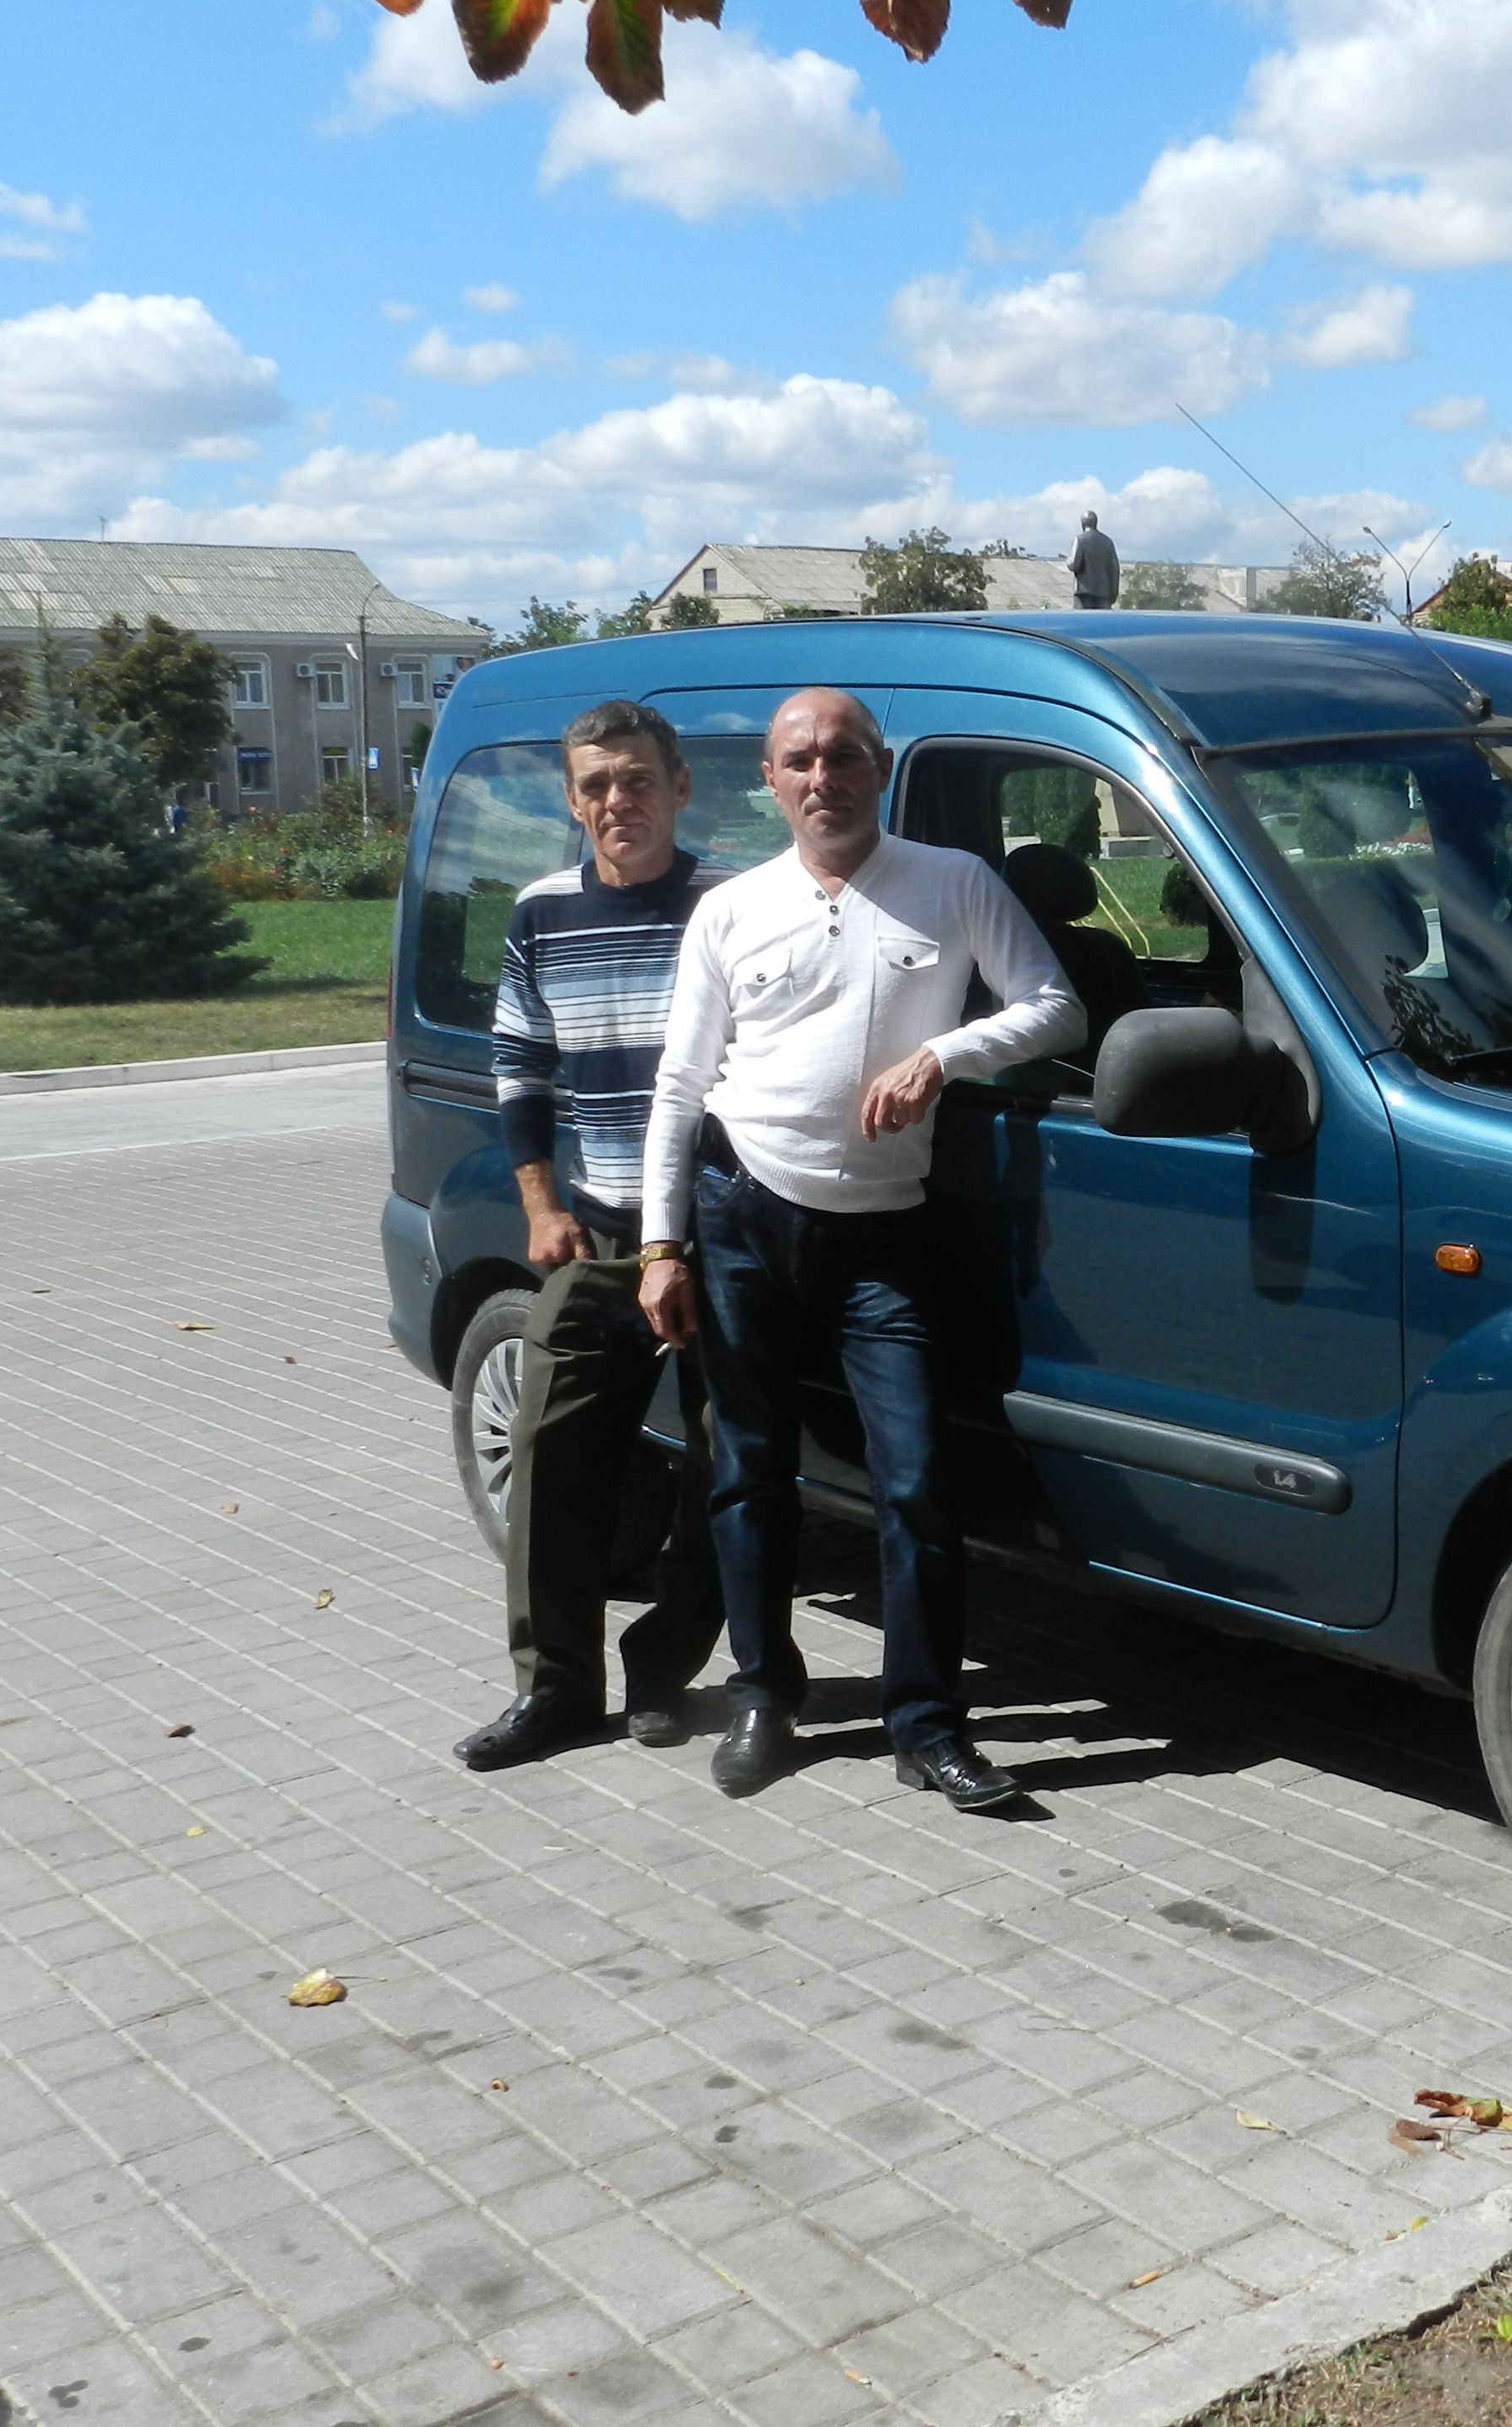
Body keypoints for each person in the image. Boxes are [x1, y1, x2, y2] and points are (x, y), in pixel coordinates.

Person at [637, 687, 1082, 1810]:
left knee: (921, 1481)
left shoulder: (953, 883)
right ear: (771, 782)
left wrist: (946, 1055)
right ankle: (760, 1696)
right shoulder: (733, 911)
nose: (821, 777)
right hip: (741, 1215)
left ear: (878, 768)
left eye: (843, 756)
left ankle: (927, 1725)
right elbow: (681, 1086)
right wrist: (661, 1245)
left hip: (885, 1235)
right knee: (748, 1472)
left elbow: (1053, 1008)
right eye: (800, 760)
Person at [453, 698, 727, 1772]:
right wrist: (538, 1202)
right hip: (604, 1233)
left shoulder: (732, 905)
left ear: (678, 786)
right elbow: (519, 1066)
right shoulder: (540, 913)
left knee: (729, 1467)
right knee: (551, 1452)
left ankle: (665, 1672)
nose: (621, 801)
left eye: (639, 779)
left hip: (719, 1237)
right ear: (572, 802)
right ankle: (558, 1690)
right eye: (598, 785)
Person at [1068, 511, 1120, 611]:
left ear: (1082, 523)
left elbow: (1073, 564)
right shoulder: (1108, 542)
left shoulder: (1079, 540)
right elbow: (1115, 569)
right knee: (1103, 624)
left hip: (1083, 593)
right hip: (1104, 593)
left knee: (1083, 623)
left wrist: (1068, 559)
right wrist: (1114, 592)